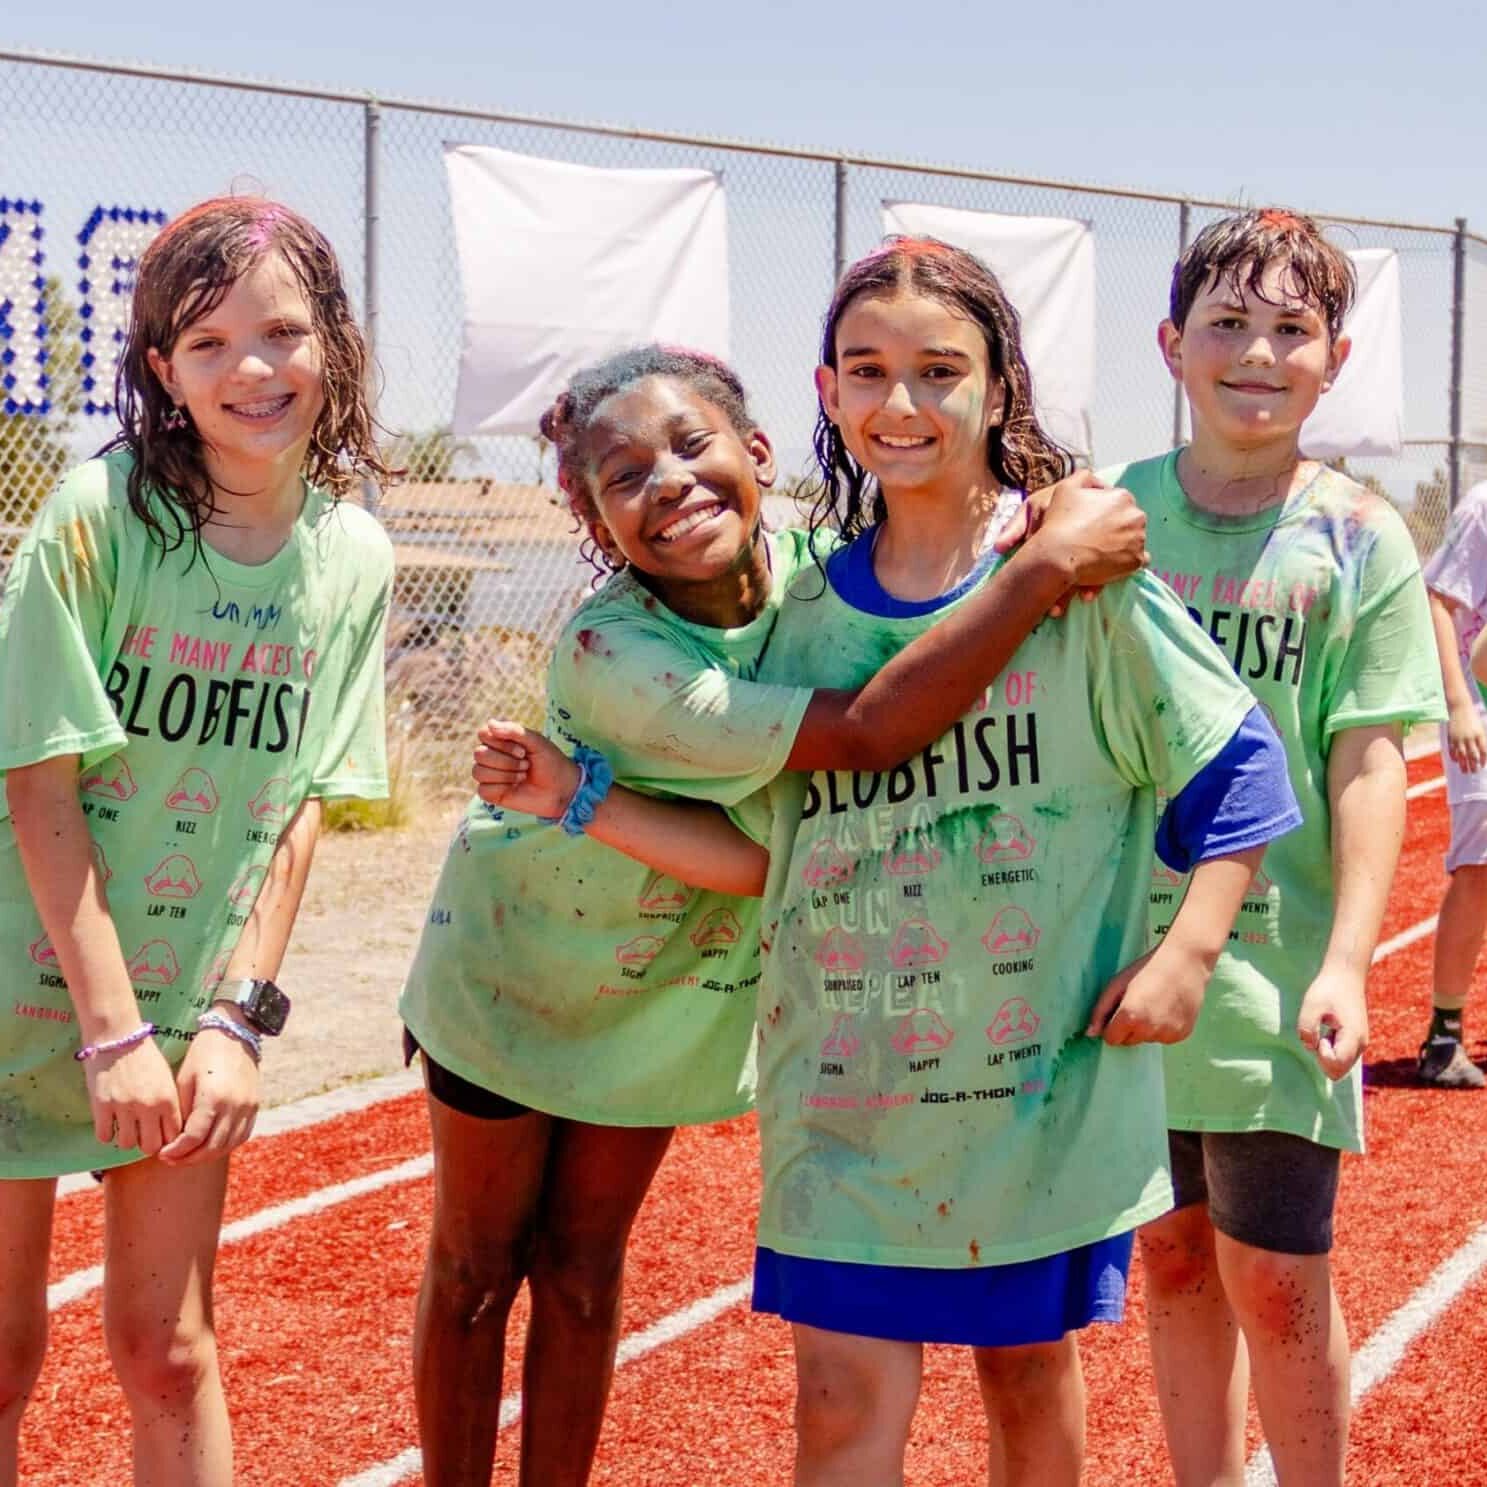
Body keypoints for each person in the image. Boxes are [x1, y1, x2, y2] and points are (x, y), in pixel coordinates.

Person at [474, 240, 1299, 1487]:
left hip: (1029, 1098)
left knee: (1025, 1379)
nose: (899, 402)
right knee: (838, 1400)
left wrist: (1187, 951)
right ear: (825, 390)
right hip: (843, 1103)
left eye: (937, 370)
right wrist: (578, 797)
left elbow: (1237, 770)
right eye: (865, 370)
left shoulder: (1085, 583)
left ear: (997, 385)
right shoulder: (802, 616)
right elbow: (761, 852)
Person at [399, 344, 1149, 1486]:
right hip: (517, 969)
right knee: (475, 1268)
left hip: (674, 983)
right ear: (593, 521)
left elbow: (938, 585)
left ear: (757, 451)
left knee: (585, 1270)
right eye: (624, 476)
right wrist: (1043, 565)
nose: (668, 482)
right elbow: (864, 733)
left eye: (691, 444)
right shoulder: (610, 653)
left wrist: (1043, 507)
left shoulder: (821, 580)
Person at [0, 197, 394, 1487]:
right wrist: (109, 1029)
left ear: (332, 343)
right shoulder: (95, 514)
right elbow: (39, 784)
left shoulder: (352, 554)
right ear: (163, 368)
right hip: (27, 988)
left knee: (167, 1350)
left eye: (282, 331)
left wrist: (237, 1019)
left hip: (182, 1003)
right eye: (209, 341)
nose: (251, 367)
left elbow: (299, 801)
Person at [1112, 207, 1447, 1486]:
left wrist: (1348, 958)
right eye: (1225, 323)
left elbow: (1366, 761)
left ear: (1333, 358)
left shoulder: (1359, 535)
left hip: (1272, 968)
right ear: (1170, 345)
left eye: (1289, 328)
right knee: (1170, 1256)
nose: (1256, 352)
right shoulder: (1109, 516)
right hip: (1123, 960)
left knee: (1274, 1271)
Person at [1415, 479, 1487, 1087]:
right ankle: (1443, 1038)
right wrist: (1460, 704)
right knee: (1479, 870)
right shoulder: (1483, 506)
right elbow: (1437, 600)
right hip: (1481, 715)